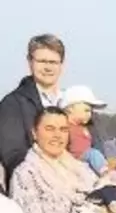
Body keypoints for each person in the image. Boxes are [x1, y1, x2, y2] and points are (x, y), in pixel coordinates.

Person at [0, 34, 66, 185]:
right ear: (30, 62)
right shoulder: (12, 104)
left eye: (53, 62)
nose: (48, 67)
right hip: (35, 190)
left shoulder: (70, 102)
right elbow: (13, 156)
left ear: (62, 65)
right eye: (42, 61)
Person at [59, 85, 108, 173]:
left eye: (90, 111)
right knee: (94, 153)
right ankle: (105, 171)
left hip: (84, 158)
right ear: (70, 110)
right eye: (86, 110)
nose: (89, 114)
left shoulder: (86, 127)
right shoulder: (65, 126)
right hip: (77, 156)